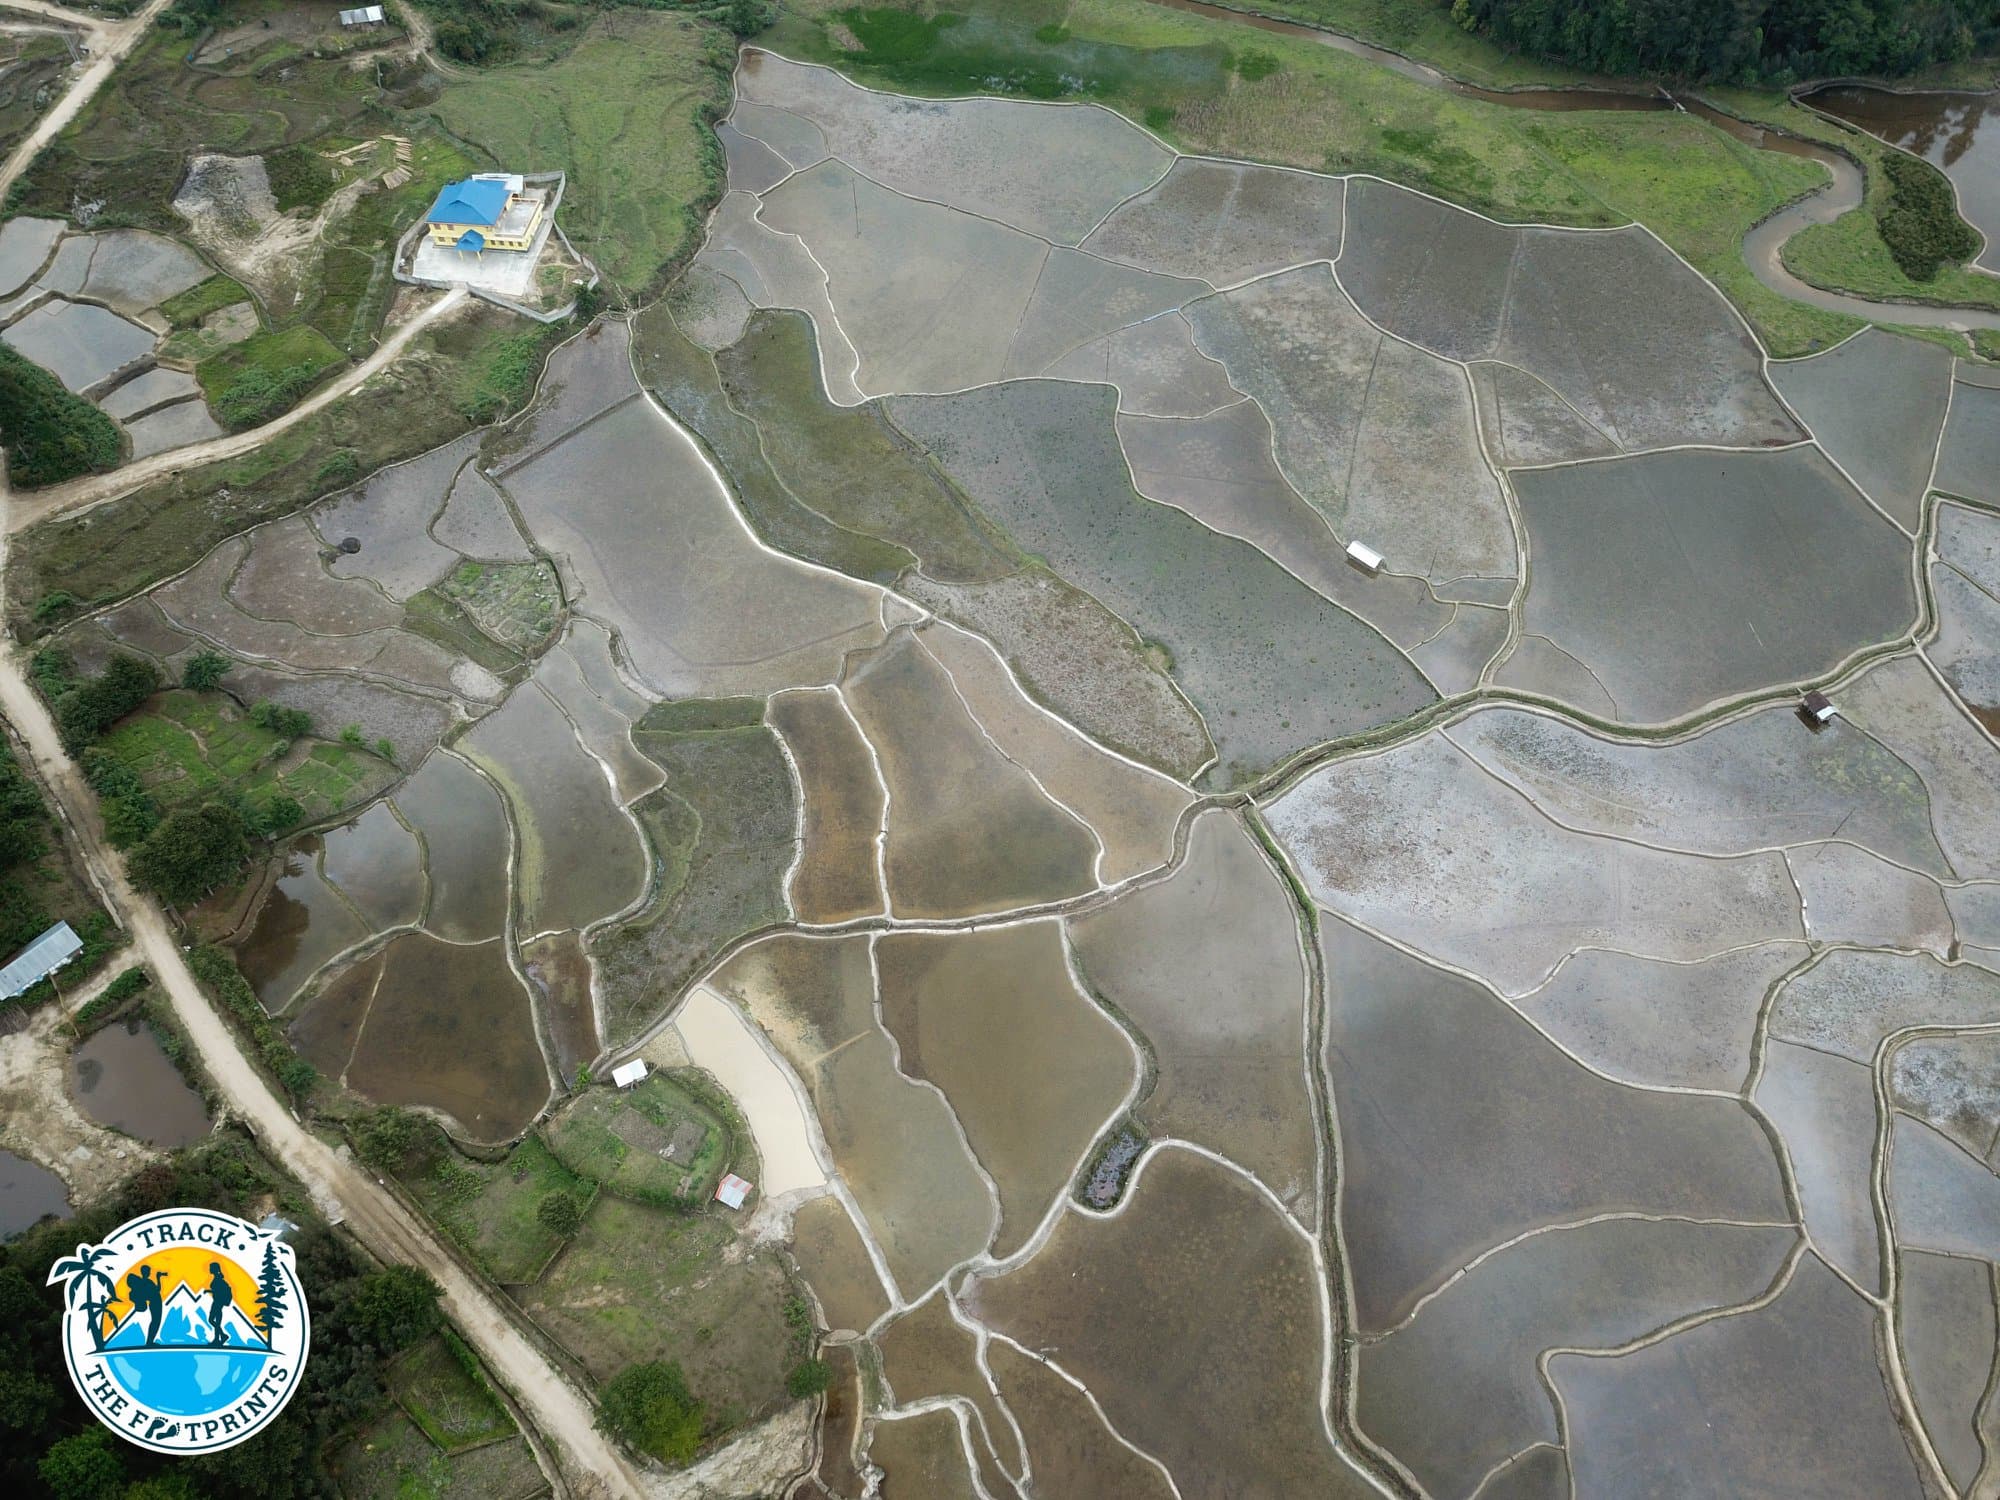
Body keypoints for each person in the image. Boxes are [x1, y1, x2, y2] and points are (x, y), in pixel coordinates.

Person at [124, 1266, 163, 1346]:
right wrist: (158, 1278)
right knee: (155, 1322)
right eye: (149, 1271)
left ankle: (149, 1341)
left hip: (154, 1302)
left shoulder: (143, 1282)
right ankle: (149, 1342)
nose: (149, 1273)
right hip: (156, 1302)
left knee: (155, 1322)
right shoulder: (147, 1282)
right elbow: (157, 1289)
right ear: (145, 1272)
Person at [205, 1263, 233, 1346]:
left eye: (210, 1268)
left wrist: (210, 1291)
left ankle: (221, 1337)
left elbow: (219, 1291)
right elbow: (217, 1290)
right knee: (216, 1322)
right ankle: (219, 1338)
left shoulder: (218, 1279)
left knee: (212, 1320)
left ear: (214, 1269)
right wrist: (209, 1291)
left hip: (217, 1303)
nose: (209, 1269)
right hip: (217, 1302)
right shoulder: (218, 1278)